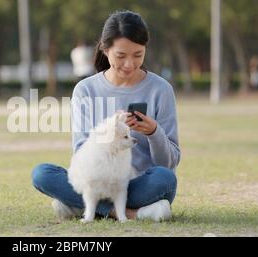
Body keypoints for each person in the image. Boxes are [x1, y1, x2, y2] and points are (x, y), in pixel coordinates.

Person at [32, 11, 180, 222]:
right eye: (121, 56)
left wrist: (154, 132)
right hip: (98, 180)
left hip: (140, 185)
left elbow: (168, 163)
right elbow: (82, 153)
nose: (129, 64)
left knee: (164, 179)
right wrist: (109, 131)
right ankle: (131, 213)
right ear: (105, 48)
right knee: (42, 174)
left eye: (138, 55)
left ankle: (82, 207)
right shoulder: (86, 90)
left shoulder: (160, 90)